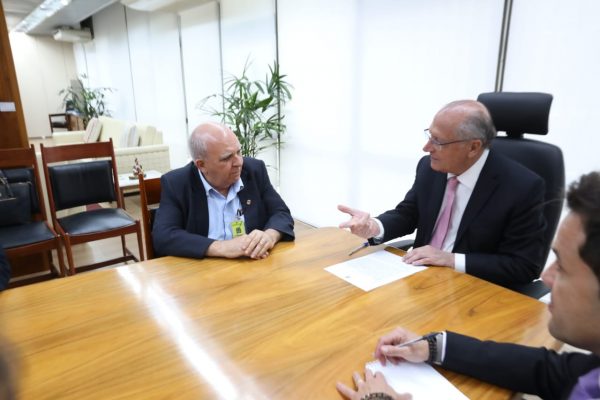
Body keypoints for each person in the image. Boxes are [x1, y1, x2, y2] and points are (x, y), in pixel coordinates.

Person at [337, 172, 600, 400]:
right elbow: (548, 370)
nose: (547, 277)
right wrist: (434, 346)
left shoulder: (520, 183)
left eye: (563, 267)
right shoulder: (591, 371)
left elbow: (523, 266)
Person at [339, 100, 546, 287]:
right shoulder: (430, 167)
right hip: (417, 278)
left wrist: (450, 259)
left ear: (473, 147)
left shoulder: (522, 187)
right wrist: (374, 227)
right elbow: (409, 214)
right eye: (429, 135)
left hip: (473, 288)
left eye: (438, 141)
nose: (426, 148)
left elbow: (523, 266)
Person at [153, 122, 294, 259]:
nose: (238, 162)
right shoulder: (177, 183)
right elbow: (163, 236)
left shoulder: (254, 170)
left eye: (239, 152)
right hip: (202, 272)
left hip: (252, 264)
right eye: (227, 158)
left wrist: (269, 236)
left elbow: (281, 213)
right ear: (201, 165)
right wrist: (221, 247)